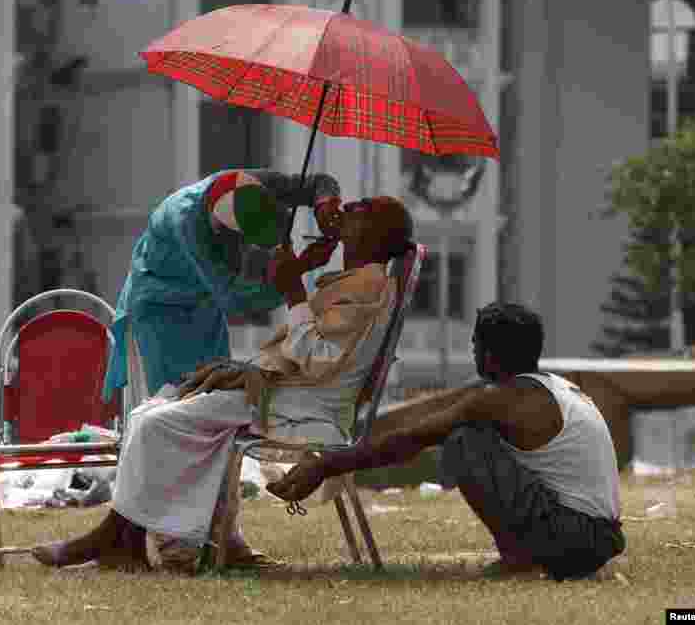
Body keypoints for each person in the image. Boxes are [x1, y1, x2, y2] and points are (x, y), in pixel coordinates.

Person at [32, 196, 415, 571]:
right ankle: (127, 543)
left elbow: (316, 356)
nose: (346, 207)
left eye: (362, 209)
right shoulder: (358, 281)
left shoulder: (367, 286)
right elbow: (315, 353)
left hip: (301, 407)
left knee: (155, 422)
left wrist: (293, 289)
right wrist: (247, 368)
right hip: (289, 394)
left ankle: (114, 538)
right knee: (150, 410)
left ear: (379, 237)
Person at [267, 302, 627, 581]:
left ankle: (519, 559)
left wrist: (327, 464)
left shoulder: (501, 400)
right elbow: (422, 422)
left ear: (488, 353)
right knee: (468, 434)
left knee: (464, 441)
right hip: (599, 539)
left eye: (475, 344)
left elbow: (411, 440)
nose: (472, 352)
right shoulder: (549, 387)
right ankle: (528, 555)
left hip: (575, 539)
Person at [102, 168, 344, 415]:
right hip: (159, 306)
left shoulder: (252, 183)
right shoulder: (188, 224)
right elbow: (235, 301)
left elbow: (318, 183)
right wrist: (299, 269)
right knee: (173, 407)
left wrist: (325, 204)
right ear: (224, 233)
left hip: (204, 302)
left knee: (216, 395)